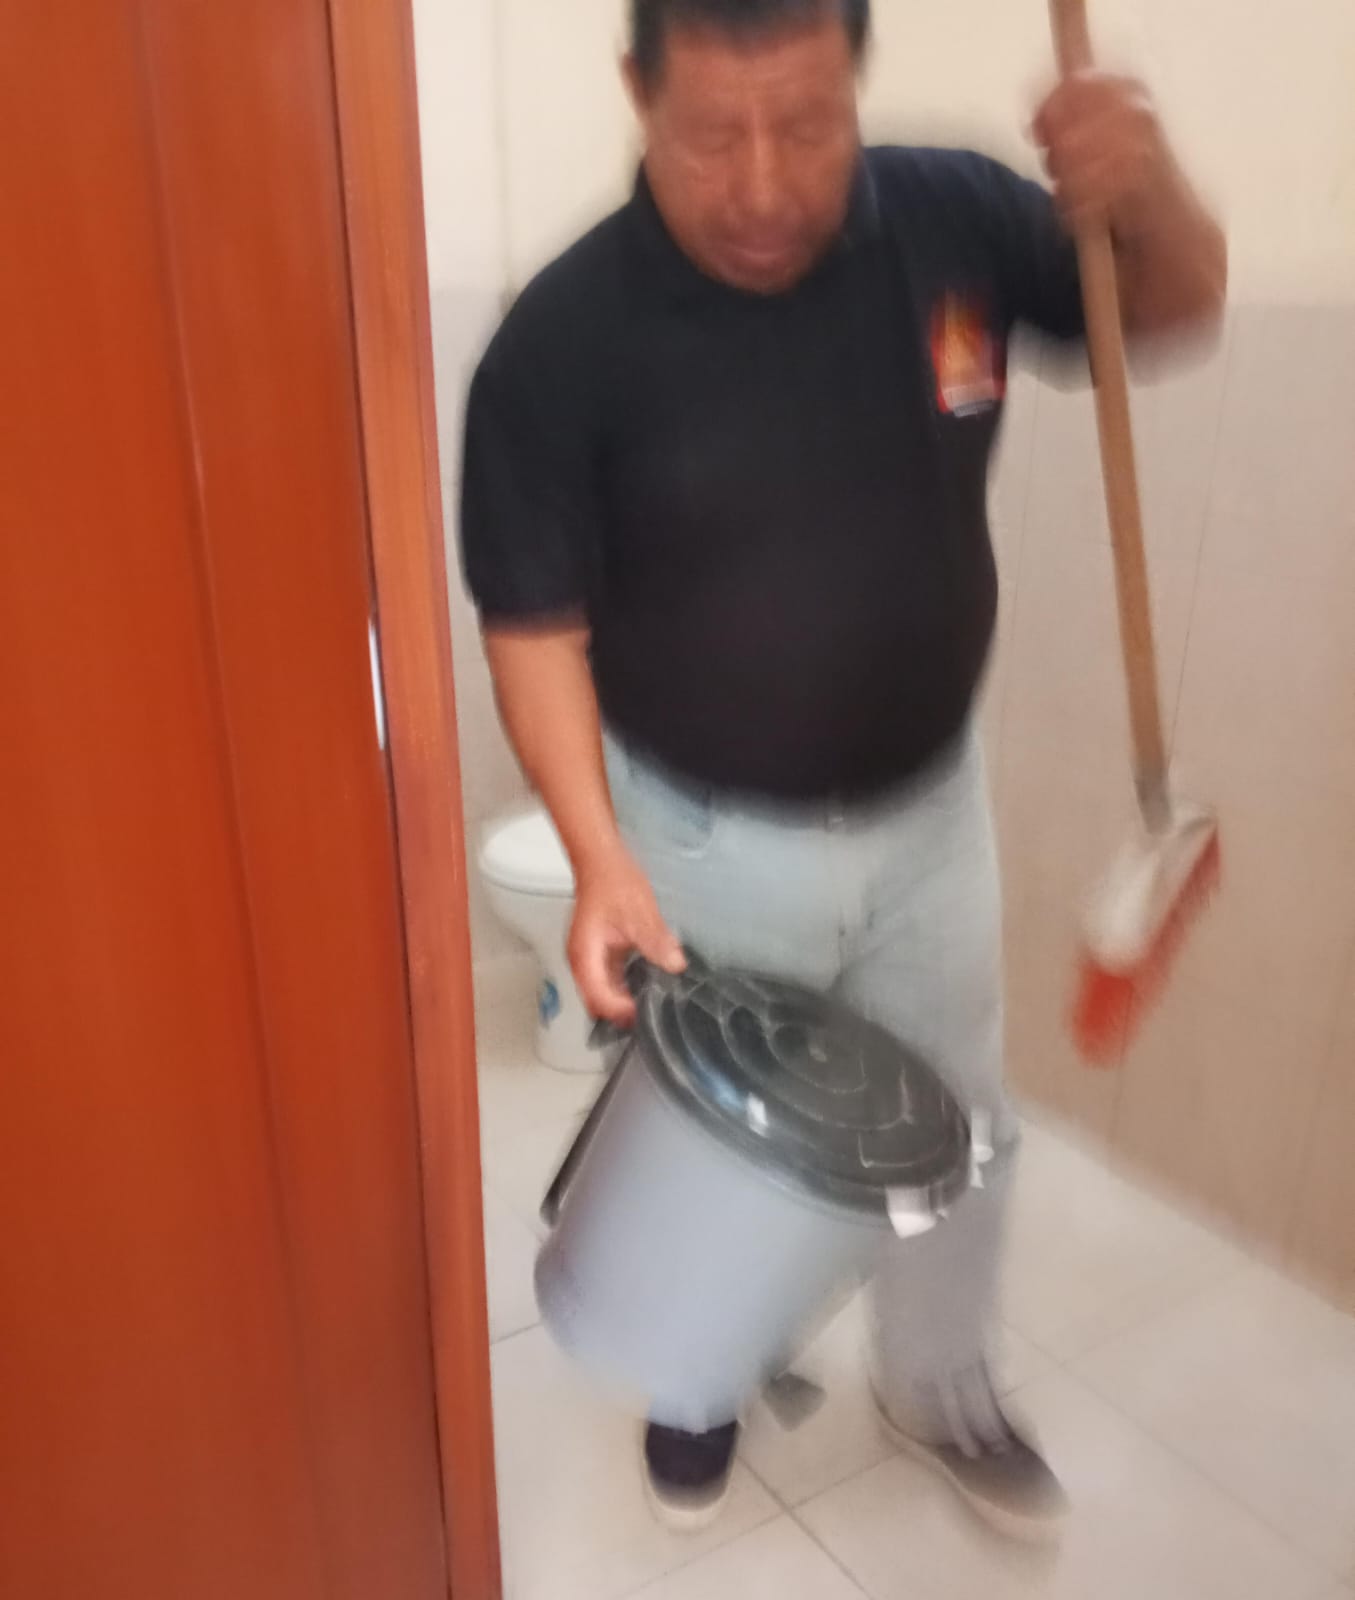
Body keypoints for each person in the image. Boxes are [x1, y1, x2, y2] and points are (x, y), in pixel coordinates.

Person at [460, 0, 1225, 1543]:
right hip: (702, 833)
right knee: (720, 1151)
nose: (762, 183)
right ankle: (698, 1380)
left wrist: (1147, 188)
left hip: (932, 812)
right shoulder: (565, 339)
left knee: (963, 1132)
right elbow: (533, 629)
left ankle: (937, 1382)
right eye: (712, 135)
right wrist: (599, 854)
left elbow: (1167, 309)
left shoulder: (956, 221)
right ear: (638, 94)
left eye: (807, 127)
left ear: (854, 87)